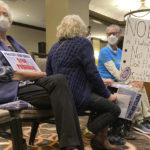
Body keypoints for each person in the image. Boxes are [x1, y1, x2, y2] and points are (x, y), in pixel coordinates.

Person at [0, 1, 84, 150]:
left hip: (30, 84)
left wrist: (38, 74)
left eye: (5, 14)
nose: (2, 17)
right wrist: (23, 75)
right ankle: (72, 146)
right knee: (63, 95)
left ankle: (71, 144)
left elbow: (30, 66)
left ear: (10, 19)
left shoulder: (16, 44)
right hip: (10, 89)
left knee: (59, 79)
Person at [46, 14, 122, 150]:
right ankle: (86, 135)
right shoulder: (83, 43)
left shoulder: (54, 47)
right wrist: (108, 95)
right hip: (78, 95)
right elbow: (92, 73)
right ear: (80, 28)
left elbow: (49, 75)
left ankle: (100, 139)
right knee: (114, 108)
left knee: (102, 102)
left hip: (59, 99)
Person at [97, 24, 150, 136]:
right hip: (108, 83)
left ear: (119, 35)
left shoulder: (121, 52)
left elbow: (126, 70)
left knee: (141, 86)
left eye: (114, 33)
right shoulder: (104, 52)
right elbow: (115, 73)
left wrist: (135, 80)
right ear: (106, 36)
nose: (111, 36)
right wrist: (129, 82)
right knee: (134, 88)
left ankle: (146, 118)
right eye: (109, 34)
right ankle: (137, 121)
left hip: (119, 81)